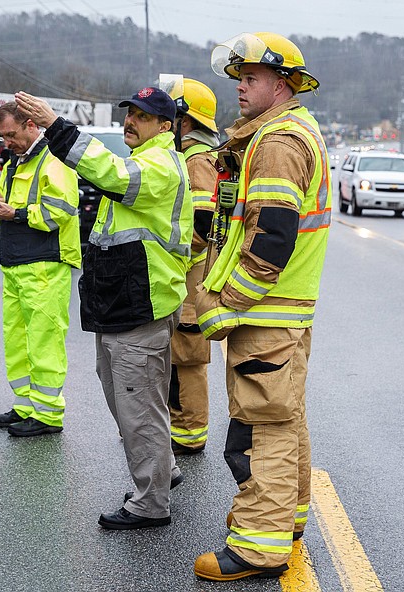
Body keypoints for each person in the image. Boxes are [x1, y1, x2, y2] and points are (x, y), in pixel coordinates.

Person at [14, 86, 193, 530]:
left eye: (142, 117)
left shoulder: (158, 166)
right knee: (125, 395)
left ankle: (151, 502)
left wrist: (55, 126)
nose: (130, 121)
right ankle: (162, 468)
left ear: (165, 127)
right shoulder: (144, 160)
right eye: (128, 114)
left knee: (138, 402)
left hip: (142, 302)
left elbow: (109, 173)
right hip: (123, 300)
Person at [192, 33, 332, 580]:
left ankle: (257, 545)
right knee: (286, 415)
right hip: (284, 309)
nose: (240, 87)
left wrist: (227, 304)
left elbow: (272, 238)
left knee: (262, 426)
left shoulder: (277, 140)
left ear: (283, 84)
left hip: (266, 310)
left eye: (251, 78)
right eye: (239, 78)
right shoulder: (293, 132)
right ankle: (288, 518)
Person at [0, 101, 81, 437]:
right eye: (2, 136)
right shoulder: (16, 162)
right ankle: (26, 406)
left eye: (11, 134)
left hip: (44, 264)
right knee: (19, 341)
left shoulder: (54, 158)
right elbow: (16, 207)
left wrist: (16, 214)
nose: (6, 141)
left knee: (44, 343)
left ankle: (48, 415)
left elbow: (62, 210)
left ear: (30, 125)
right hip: (16, 263)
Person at [163, 77, 220, 455]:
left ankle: (189, 433)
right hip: (184, 277)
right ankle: (178, 426)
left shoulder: (198, 161)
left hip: (190, 276)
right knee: (177, 357)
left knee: (187, 359)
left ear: (185, 122)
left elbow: (202, 225)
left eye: (171, 120)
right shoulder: (191, 158)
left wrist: (168, 251)